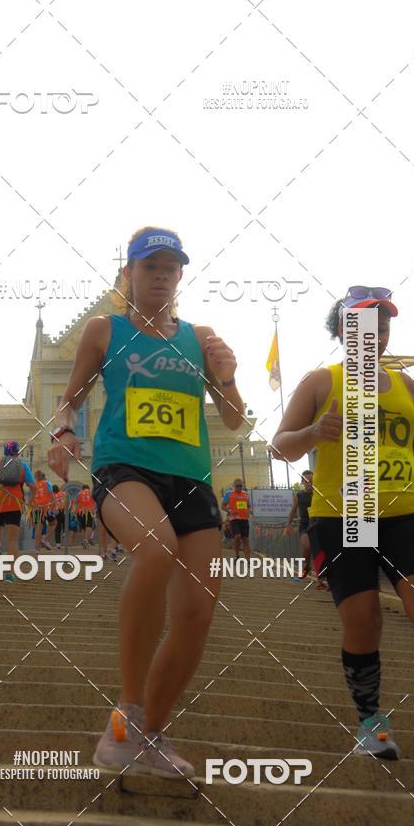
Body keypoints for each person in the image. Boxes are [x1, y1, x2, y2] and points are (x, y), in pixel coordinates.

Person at [48, 225, 244, 779]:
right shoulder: (103, 330)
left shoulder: (200, 337)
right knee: (155, 550)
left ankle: (152, 735)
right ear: (127, 273)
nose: (160, 277)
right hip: (125, 468)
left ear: (180, 276)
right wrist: (63, 433)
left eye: (169, 269)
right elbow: (69, 401)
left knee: (197, 611)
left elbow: (233, 419)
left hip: (191, 478)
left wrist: (228, 378)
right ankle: (127, 716)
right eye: (149, 267)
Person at [271, 286, 414, 766]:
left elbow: (410, 443)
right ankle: (371, 722)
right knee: (364, 618)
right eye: (365, 327)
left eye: (383, 327)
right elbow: (280, 446)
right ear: (342, 332)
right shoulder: (321, 381)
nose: (377, 336)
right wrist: (313, 432)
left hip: (404, 510)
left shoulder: (404, 384)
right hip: (345, 513)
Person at [0, 442, 36, 584]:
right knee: (13, 540)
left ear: (5, 451)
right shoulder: (23, 465)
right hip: (15, 504)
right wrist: (31, 501)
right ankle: (11, 574)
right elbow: (33, 486)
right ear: (17, 452)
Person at [284, 470, 327, 588]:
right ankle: (307, 566)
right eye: (307, 481)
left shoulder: (319, 493)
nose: (309, 483)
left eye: (312, 481)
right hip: (305, 525)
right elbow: (293, 510)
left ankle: (319, 579)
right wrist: (288, 525)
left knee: (318, 551)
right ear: (302, 482)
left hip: (318, 524)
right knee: (307, 546)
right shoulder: (299, 495)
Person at [221, 479, 251, 559]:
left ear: (242, 486)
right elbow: (223, 506)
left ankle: (248, 560)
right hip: (234, 519)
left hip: (244, 519)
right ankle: (237, 555)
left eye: (241, 486)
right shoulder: (229, 493)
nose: (239, 488)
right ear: (234, 486)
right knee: (237, 536)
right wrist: (229, 511)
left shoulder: (246, 494)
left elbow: (249, 506)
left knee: (245, 539)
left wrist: (248, 511)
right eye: (237, 486)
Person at [30, 470, 55, 554]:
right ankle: (45, 538)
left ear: (36, 477)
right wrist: (54, 506)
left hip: (36, 508)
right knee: (54, 523)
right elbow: (51, 495)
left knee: (38, 528)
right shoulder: (47, 483)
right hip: (45, 508)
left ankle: (37, 549)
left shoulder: (34, 484)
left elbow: (31, 497)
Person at [75, 483, 95, 549]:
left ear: (82, 488)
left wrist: (75, 513)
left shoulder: (79, 493)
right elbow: (94, 502)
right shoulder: (91, 492)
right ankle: (86, 540)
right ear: (88, 488)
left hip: (80, 511)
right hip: (89, 511)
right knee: (89, 525)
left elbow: (76, 503)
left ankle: (84, 540)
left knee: (83, 527)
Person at [52, 485, 66, 549]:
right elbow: (68, 501)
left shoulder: (53, 496)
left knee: (57, 528)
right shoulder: (64, 494)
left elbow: (52, 505)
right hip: (64, 511)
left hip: (57, 512)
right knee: (65, 524)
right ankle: (64, 532)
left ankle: (58, 544)